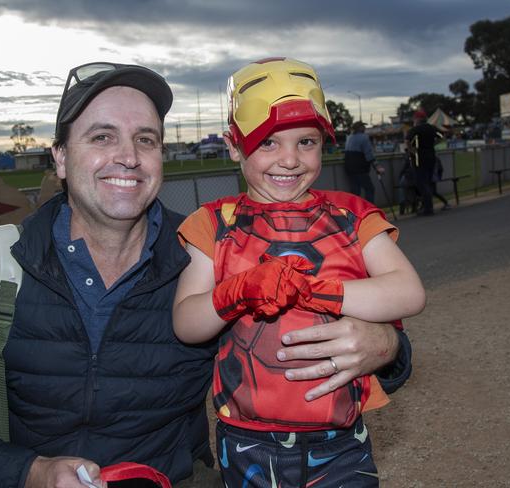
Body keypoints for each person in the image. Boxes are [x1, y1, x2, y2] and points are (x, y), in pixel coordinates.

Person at [0, 61, 413, 488]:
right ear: (60, 158)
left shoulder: (208, 251)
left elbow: (329, 321)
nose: (128, 157)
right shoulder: (0, 263)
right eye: (102, 137)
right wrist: (30, 473)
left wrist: (386, 347)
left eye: (146, 139)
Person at [173, 58, 425, 488]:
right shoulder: (213, 224)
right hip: (245, 437)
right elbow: (186, 321)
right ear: (234, 146)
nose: (289, 160)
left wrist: (317, 291)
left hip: (341, 437)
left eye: (306, 142)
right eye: (267, 143)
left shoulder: (351, 215)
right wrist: (237, 291)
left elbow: (408, 292)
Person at [405, 109, 444, 216]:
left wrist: (412, 150)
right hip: (431, 157)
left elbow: (407, 141)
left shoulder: (415, 129)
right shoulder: (432, 128)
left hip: (419, 159)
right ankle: (428, 206)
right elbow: (441, 137)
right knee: (428, 182)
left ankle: (428, 208)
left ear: (417, 119)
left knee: (421, 183)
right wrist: (433, 144)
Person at [344, 120, 384, 203]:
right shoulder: (364, 137)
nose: (365, 128)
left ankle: (355, 213)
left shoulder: (350, 137)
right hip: (360, 169)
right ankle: (368, 211)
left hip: (349, 168)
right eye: (363, 126)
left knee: (355, 192)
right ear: (360, 128)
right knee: (369, 189)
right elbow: (369, 155)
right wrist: (377, 167)